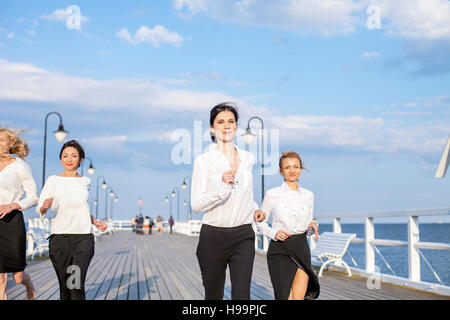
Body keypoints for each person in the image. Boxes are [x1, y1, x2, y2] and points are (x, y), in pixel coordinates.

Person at [191, 102, 265, 300]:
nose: (226, 126)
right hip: (213, 235)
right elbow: (196, 204)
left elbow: (246, 195)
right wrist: (222, 188)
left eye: (231, 121)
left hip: (243, 234)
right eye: (220, 121)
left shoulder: (248, 159)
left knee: (242, 297)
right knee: (213, 296)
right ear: (212, 127)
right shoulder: (203, 161)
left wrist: (256, 209)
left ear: (236, 127)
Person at [37, 140, 107, 300]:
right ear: (61, 159)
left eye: (74, 156)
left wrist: (94, 221)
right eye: (65, 156)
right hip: (59, 239)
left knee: (75, 285)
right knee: (65, 288)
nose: (69, 159)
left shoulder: (85, 181)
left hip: (82, 239)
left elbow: (80, 209)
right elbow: (41, 208)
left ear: (81, 159)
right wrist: (44, 207)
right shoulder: (53, 180)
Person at [257, 151, 320, 300]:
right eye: (287, 167)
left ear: (301, 169)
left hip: (301, 247)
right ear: (281, 171)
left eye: (296, 167)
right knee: (284, 297)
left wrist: (312, 226)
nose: (292, 170)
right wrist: (274, 233)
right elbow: (260, 222)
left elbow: (308, 228)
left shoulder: (309, 195)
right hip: (279, 249)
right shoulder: (272, 194)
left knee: (298, 298)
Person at [0, 128, 38, 300]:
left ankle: (30, 287)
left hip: (12, 222)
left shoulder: (20, 166)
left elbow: (33, 198)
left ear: (11, 143)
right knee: (0, 278)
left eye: (2, 140)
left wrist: (13, 205)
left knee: (17, 277)